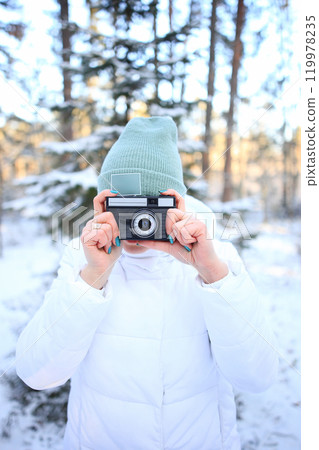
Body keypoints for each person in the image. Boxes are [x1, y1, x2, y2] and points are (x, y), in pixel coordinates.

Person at [16, 116, 278, 450]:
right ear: (103, 203)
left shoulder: (215, 257)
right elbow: (36, 373)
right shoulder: (82, 260)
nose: (138, 222)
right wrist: (92, 278)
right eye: (122, 205)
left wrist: (211, 272)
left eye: (150, 206)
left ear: (175, 204)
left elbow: (257, 377)